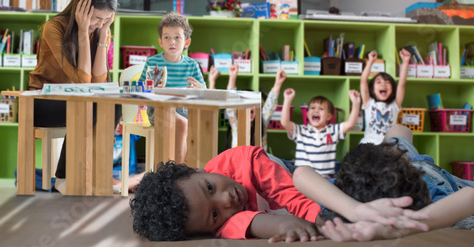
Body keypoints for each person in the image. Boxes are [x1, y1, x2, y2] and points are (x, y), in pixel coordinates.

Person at [130, 145, 429, 242]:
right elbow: (248, 223)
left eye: (210, 187)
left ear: (197, 170)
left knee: (400, 152)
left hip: (324, 183)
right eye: (214, 214)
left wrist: (321, 220)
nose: (226, 200)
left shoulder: (238, 160)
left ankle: (399, 140)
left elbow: (290, 192)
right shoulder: (220, 224)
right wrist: (285, 226)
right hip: (339, 191)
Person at [293, 125, 474, 242]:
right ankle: (396, 155)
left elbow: (301, 173)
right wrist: (404, 226)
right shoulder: (436, 201)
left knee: (398, 131)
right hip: (421, 171)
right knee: (398, 131)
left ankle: (395, 154)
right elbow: (469, 197)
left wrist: (354, 210)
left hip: (400, 166)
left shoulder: (346, 194)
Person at [29, 0, 122, 194]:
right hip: (43, 102)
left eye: (106, 19)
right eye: (96, 18)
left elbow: (98, 85)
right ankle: (63, 178)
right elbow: (83, 84)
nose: (99, 24)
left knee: (112, 105)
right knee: (84, 105)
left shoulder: (99, 30)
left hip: (77, 101)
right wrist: (82, 32)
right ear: (82, 7)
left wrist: (101, 37)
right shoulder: (53, 28)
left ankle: (98, 175)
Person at [139, 12, 206, 164]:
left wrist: (201, 88)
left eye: (177, 37)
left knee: (194, 123)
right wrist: (144, 93)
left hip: (184, 110)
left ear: (187, 42)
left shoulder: (192, 65)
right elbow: (142, 86)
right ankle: (177, 170)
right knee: (182, 124)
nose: (172, 42)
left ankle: (186, 167)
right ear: (160, 42)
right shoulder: (152, 62)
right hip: (158, 109)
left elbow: (204, 91)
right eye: (167, 37)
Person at [280, 89, 361, 177]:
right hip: (302, 178)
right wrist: (287, 100)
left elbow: (350, 124)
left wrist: (356, 104)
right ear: (307, 114)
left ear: (329, 116)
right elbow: (284, 122)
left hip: (325, 178)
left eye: (321, 109)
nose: (316, 111)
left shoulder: (333, 131)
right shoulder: (300, 131)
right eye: (313, 108)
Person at [208, 65, 287, 151]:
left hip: (258, 163)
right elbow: (230, 105)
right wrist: (232, 77)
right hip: (239, 163)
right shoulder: (236, 123)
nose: (249, 107)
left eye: (252, 103)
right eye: (246, 104)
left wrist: (278, 83)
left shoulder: (261, 122)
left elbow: (270, 104)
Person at [359, 49, 411, 144]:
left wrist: (406, 61)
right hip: (369, 144)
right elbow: (363, 80)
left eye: (387, 82)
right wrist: (370, 61)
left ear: (392, 89)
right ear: (372, 89)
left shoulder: (395, 105)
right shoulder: (368, 102)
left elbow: (402, 84)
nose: (383, 84)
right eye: (379, 82)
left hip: (388, 144)